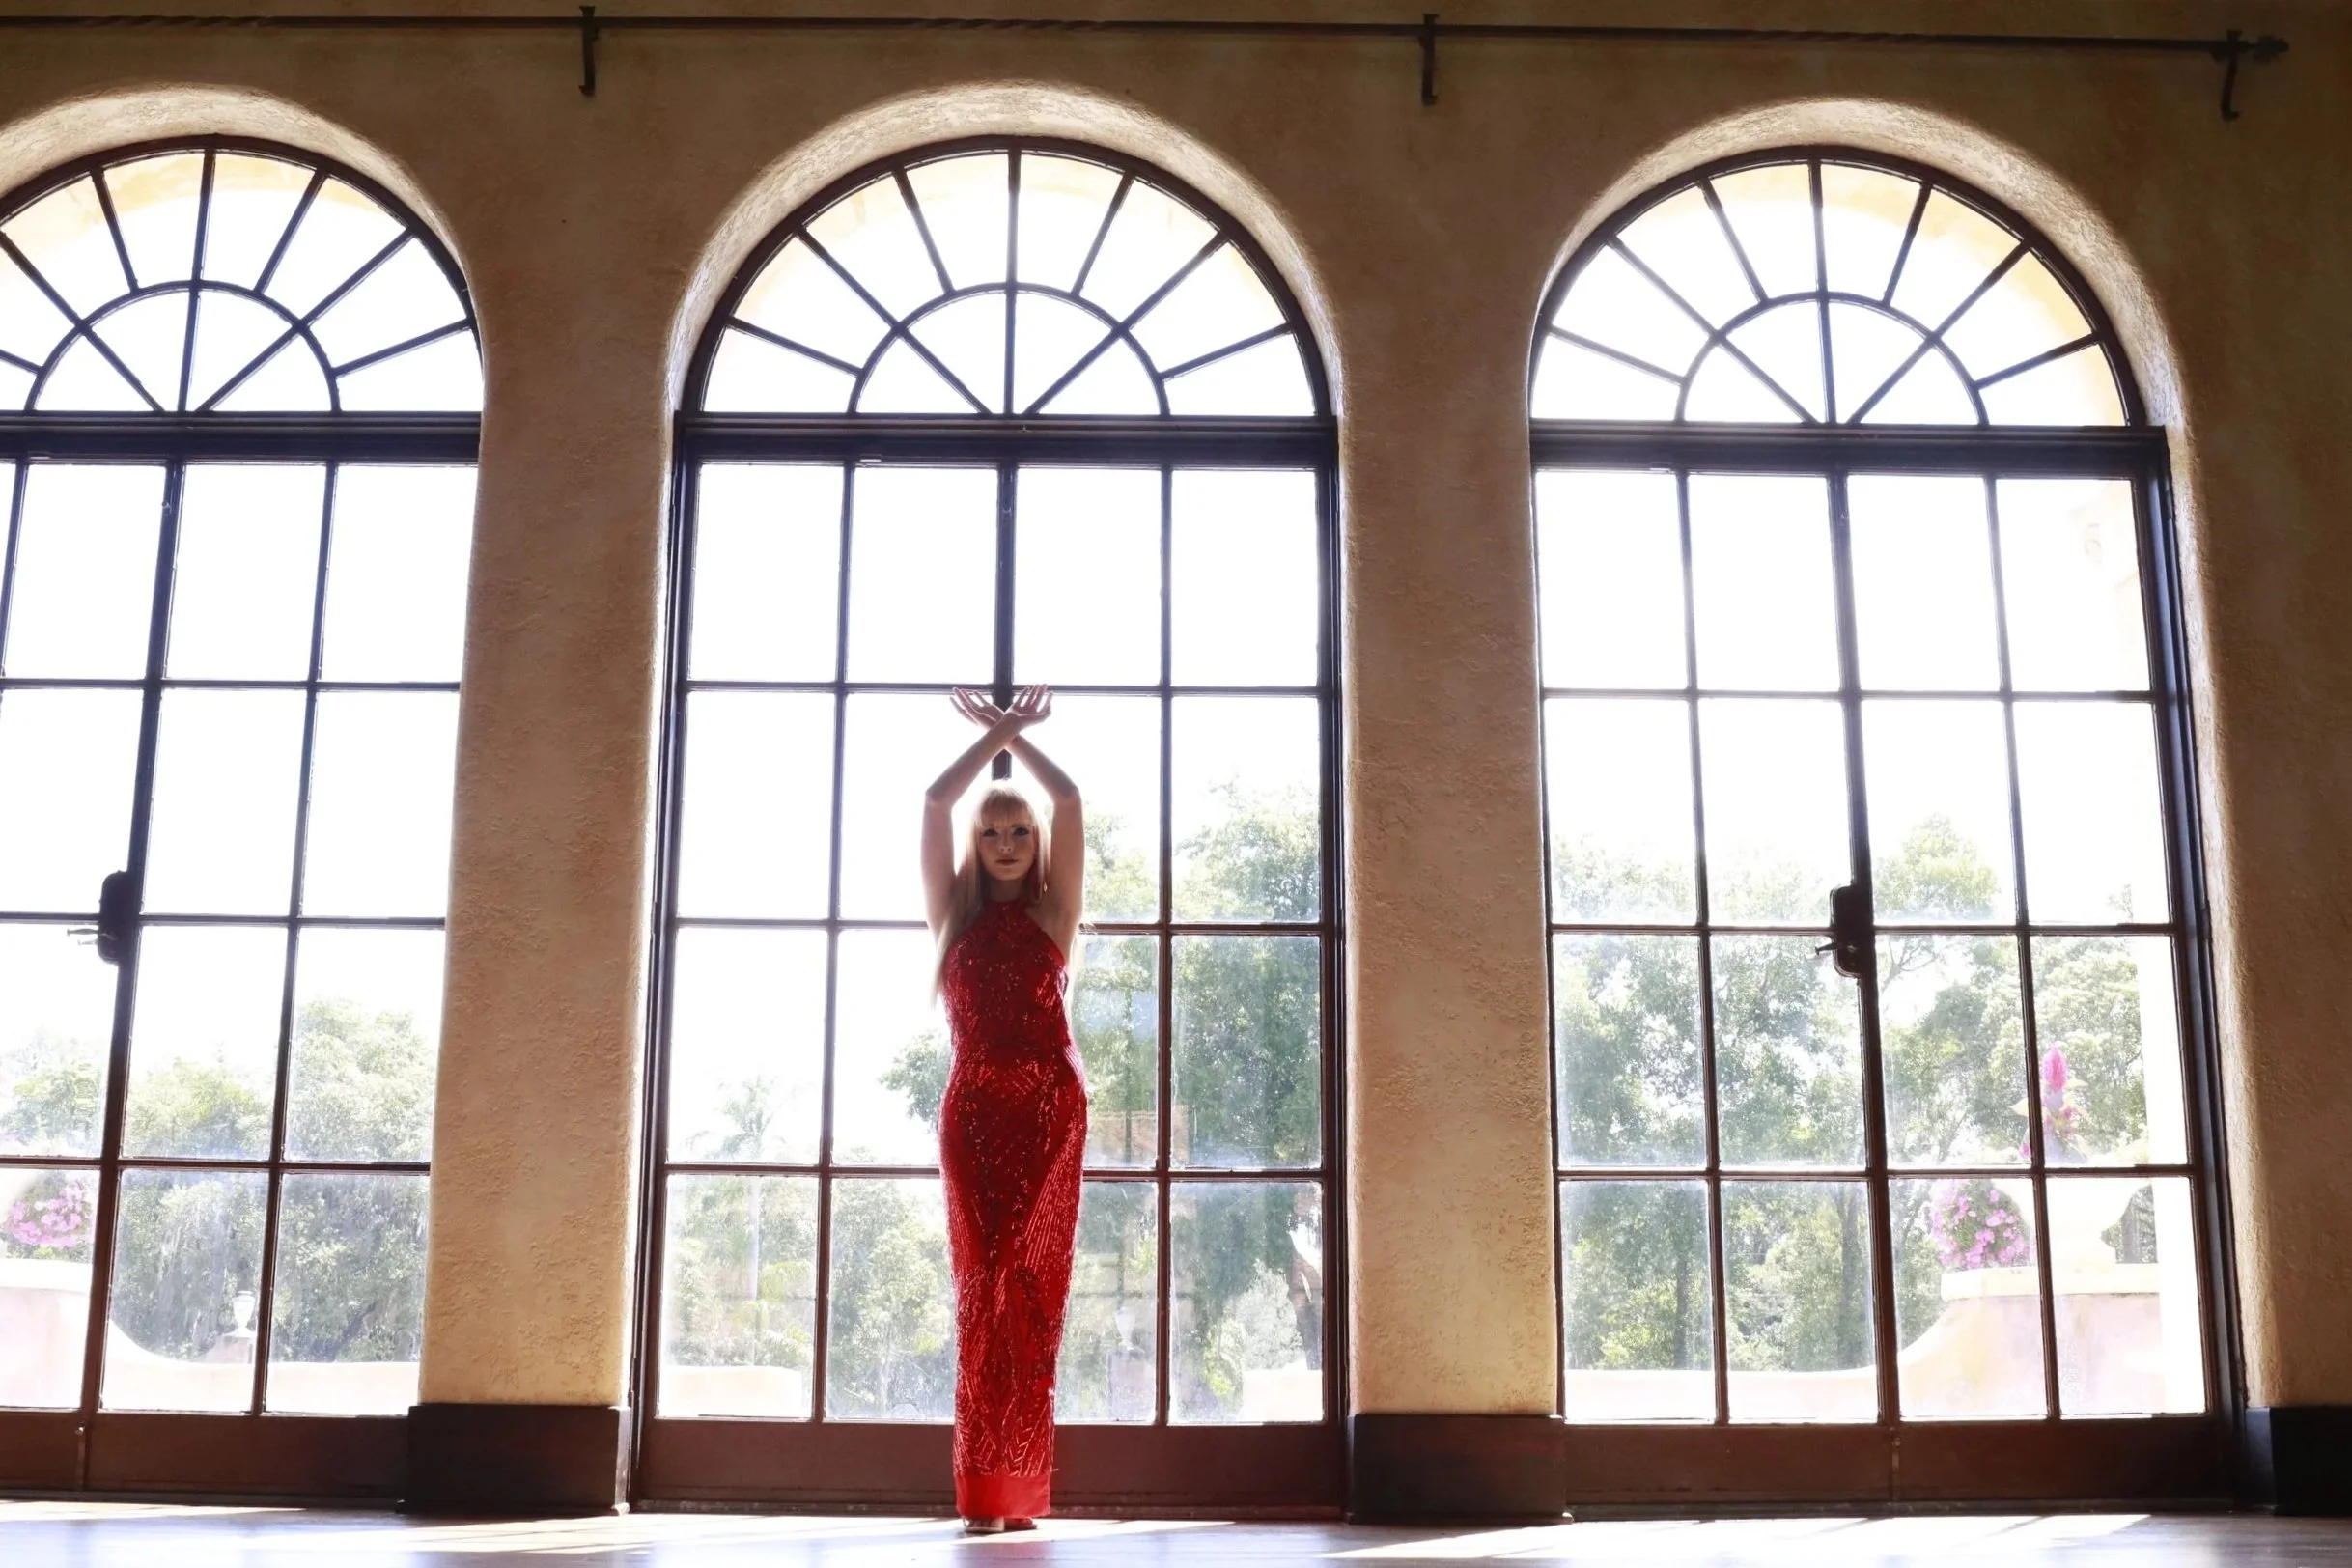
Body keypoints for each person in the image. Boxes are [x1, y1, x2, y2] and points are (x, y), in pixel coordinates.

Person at [921, 685, 1088, 1534]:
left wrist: (1019, 738)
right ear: (974, 846)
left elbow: (1069, 799)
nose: (1008, 842)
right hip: (972, 1112)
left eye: (1020, 831)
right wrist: (1002, 730)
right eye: (993, 832)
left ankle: (1015, 1496)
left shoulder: (1058, 916)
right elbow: (935, 799)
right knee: (982, 1286)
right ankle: (983, 1491)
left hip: (1051, 1112)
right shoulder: (951, 916)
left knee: (1029, 1296)